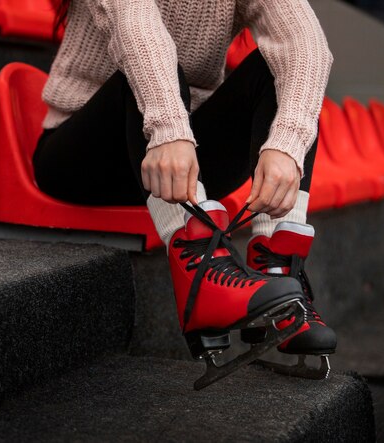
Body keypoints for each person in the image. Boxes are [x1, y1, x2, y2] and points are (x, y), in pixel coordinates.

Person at [32, 0, 337, 384]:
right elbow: (136, 26)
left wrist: (287, 146)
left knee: (286, 71)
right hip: (86, 154)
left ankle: (277, 274)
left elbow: (307, 44)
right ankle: (201, 273)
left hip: (180, 158)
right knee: (150, 60)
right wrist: (168, 129)